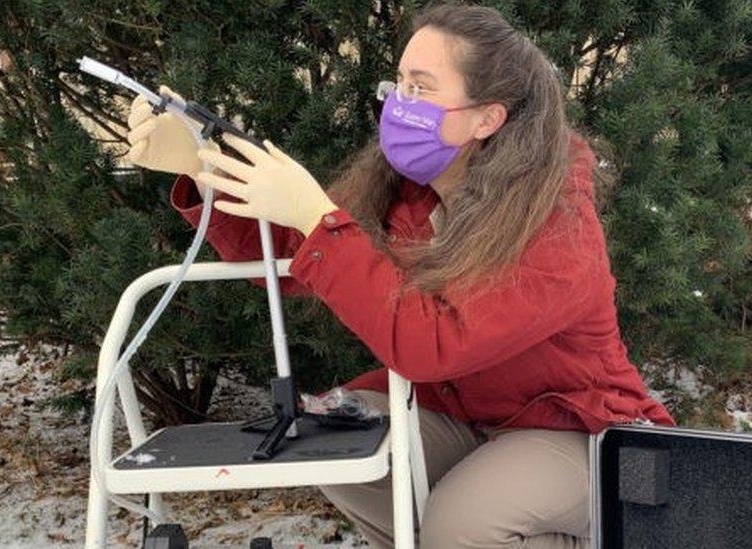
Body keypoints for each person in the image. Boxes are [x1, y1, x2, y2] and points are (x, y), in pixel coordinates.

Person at [124, 3, 676, 547]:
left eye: (422, 87)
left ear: (488, 117)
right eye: (399, 84)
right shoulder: (408, 194)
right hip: (464, 417)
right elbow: (293, 259)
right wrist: (202, 168)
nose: (399, 103)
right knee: (327, 444)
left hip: (575, 429)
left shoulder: (556, 221)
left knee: (462, 523)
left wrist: (320, 221)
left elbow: (433, 344)